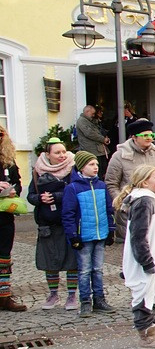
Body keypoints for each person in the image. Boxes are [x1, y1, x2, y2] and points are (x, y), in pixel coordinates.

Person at [115, 166, 155, 349]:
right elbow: (138, 236)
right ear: (145, 182)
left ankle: (151, 331)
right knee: (144, 297)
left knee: (153, 294)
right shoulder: (144, 201)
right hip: (143, 261)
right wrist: (147, 262)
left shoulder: (146, 199)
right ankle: (146, 337)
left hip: (147, 259)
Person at [61, 152, 116, 317]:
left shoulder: (101, 186)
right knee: (84, 270)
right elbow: (68, 214)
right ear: (81, 167)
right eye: (91, 164)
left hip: (100, 234)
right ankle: (85, 301)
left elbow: (109, 209)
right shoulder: (72, 188)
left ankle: (99, 299)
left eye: (96, 165)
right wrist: (73, 236)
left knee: (98, 269)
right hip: (83, 236)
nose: (95, 167)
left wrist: (111, 230)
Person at [104, 118, 155, 241]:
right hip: (131, 210)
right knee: (136, 252)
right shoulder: (120, 156)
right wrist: (121, 203)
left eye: (151, 134)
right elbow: (111, 183)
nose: (149, 138)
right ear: (134, 137)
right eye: (145, 135)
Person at [28, 138, 79, 310]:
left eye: (64, 152)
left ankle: (72, 296)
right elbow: (30, 195)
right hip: (47, 225)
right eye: (57, 153)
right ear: (48, 155)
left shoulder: (73, 169)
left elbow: (76, 190)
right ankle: (53, 294)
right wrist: (40, 198)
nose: (62, 155)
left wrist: (56, 197)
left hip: (68, 222)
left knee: (72, 261)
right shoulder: (38, 171)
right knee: (50, 261)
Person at [0, 123, 23, 311]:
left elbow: (18, 183)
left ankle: (4, 296)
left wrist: (12, 191)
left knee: (4, 258)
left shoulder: (8, 161)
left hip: (5, 218)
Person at [75, 105, 110, 173]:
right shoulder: (82, 121)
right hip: (92, 151)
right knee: (98, 172)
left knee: (103, 171)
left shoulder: (90, 121)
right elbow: (90, 133)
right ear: (87, 111)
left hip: (98, 150)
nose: (93, 115)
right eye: (92, 113)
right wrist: (103, 139)